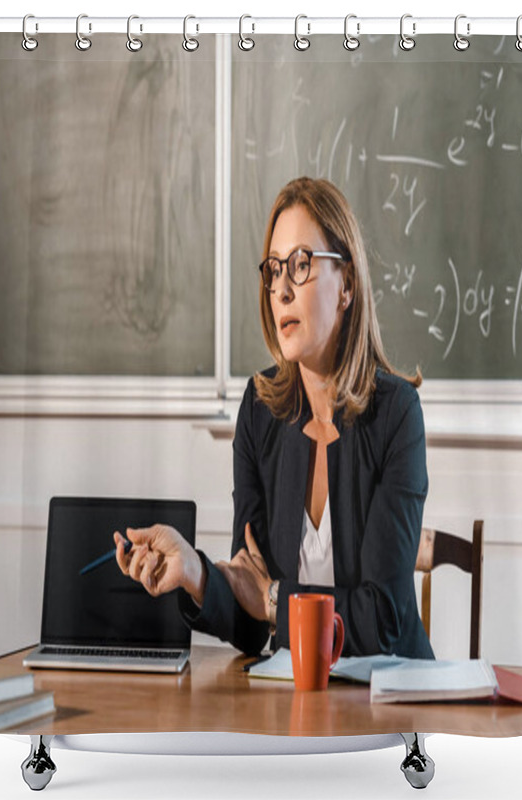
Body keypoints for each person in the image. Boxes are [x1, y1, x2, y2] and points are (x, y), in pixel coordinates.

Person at [114, 177, 433, 659]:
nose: (281, 289)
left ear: (346, 284)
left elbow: (380, 621)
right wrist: (195, 573)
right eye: (273, 270)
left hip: (388, 702)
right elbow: (250, 619)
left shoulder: (397, 415)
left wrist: (274, 599)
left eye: (301, 266)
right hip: (293, 705)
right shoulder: (260, 411)